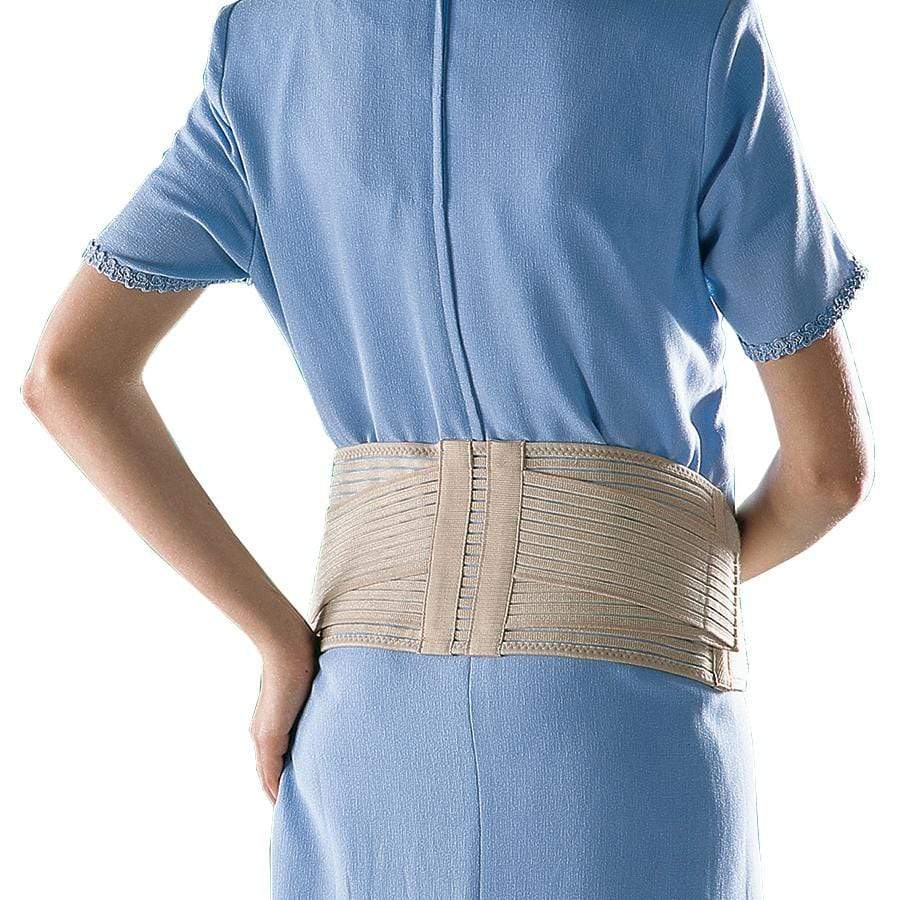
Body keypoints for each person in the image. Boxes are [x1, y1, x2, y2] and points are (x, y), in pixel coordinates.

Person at [24, 1, 873, 897]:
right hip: (617, 737)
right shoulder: (690, 28)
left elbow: (69, 374)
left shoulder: (264, 46)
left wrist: (278, 641)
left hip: (362, 733)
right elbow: (827, 474)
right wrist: (633, 569)